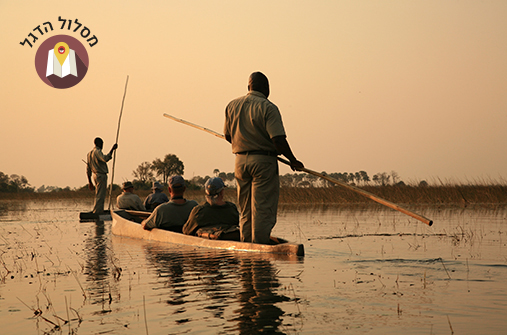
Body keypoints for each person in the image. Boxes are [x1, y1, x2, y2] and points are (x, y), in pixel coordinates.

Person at [223, 72, 304, 244]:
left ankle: (246, 245)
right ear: (267, 89)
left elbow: (228, 136)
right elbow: (278, 140)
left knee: (245, 209)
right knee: (262, 209)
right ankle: (259, 246)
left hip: (240, 161)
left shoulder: (232, 105)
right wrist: (293, 160)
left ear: (248, 87)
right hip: (263, 162)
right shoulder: (268, 107)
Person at [86, 137, 118, 214]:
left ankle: (96, 210)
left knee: (98, 194)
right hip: (100, 175)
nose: (103, 146)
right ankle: (98, 212)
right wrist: (112, 149)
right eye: (102, 144)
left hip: (95, 175)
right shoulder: (97, 152)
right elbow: (105, 158)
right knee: (100, 195)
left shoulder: (89, 154)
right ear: (99, 144)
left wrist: (90, 181)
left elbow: (88, 169)